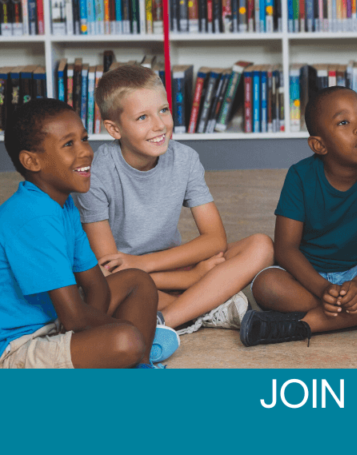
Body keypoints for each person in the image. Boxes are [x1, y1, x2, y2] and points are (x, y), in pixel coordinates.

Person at [75, 64, 274, 334]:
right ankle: (201, 306)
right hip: (125, 278)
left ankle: (165, 319)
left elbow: (215, 239)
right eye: (142, 117)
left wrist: (155, 266)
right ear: (114, 129)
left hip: (168, 265)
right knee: (102, 287)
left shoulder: (185, 159)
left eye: (163, 110)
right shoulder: (96, 174)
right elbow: (110, 264)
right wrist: (193, 278)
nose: (160, 125)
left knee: (261, 246)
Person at [1, 98, 175, 368]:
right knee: (125, 339)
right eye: (69, 144)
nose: (86, 152)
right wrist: (127, 332)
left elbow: (96, 286)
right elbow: (74, 317)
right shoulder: (33, 214)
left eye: (84, 139)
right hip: (18, 345)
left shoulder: (63, 204)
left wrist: (102, 332)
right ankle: (134, 359)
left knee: (137, 281)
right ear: (31, 161)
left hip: (54, 321)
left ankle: (137, 366)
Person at [242, 87, 357, 346]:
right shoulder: (300, 176)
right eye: (344, 122)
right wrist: (322, 289)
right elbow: (286, 248)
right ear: (319, 144)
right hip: (309, 278)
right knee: (266, 285)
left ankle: (298, 326)